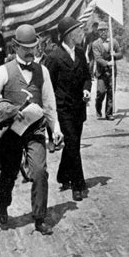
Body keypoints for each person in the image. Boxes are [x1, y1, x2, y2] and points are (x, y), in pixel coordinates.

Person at [0, 24, 61, 235]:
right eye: (25, 47)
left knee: (39, 172)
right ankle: (3, 204)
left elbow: (49, 103)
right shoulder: (3, 71)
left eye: (34, 47)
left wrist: (55, 129)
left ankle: (39, 218)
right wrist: (8, 108)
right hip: (12, 131)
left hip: (35, 130)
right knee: (9, 173)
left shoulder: (42, 71)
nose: (30, 51)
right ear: (15, 47)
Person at [46, 17, 92, 201]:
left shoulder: (80, 53)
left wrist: (86, 89)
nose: (81, 33)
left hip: (78, 108)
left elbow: (87, 77)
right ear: (68, 35)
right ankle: (78, 184)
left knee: (73, 144)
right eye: (77, 31)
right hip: (63, 109)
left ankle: (63, 175)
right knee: (73, 143)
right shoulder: (54, 57)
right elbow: (47, 86)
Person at [92, 21, 123, 121]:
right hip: (101, 72)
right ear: (98, 32)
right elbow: (98, 58)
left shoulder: (113, 42)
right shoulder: (95, 44)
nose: (103, 32)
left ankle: (109, 113)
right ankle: (98, 108)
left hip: (112, 72)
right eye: (101, 31)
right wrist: (107, 63)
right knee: (100, 92)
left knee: (111, 92)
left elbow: (121, 54)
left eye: (105, 30)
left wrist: (115, 55)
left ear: (107, 31)